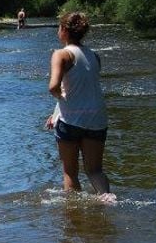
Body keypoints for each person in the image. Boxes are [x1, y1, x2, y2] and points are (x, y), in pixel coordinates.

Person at [44, 11, 111, 194]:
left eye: (59, 27)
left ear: (64, 30)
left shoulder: (61, 54)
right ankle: (108, 202)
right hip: (97, 118)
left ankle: (74, 216)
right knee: (95, 170)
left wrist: (62, 106)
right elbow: (80, 89)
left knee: (70, 173)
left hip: (71, 121)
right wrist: (57, 112)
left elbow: (54, 87)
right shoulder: (94, 56)